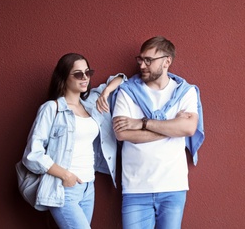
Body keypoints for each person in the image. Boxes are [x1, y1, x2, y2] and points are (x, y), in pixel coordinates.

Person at [20, 53, 126, 229]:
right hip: (64, 187)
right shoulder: (52, 109)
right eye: (78, 74)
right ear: (63, 77)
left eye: (87, 72)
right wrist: (65, 175)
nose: (85, 78)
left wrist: (106, 92)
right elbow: (32, 154)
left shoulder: (91, 103)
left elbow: (122, 78)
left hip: (88, 187)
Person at [112, 36, 205, 229]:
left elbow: (188, 128)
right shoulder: (126, 92)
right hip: (136, 188)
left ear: (166, 61)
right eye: (141, 60)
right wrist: (172, 128)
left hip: (173, 186)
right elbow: (122, 134)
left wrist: (142, 123)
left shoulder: (185, 92)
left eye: (149, 60)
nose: (142, 65)